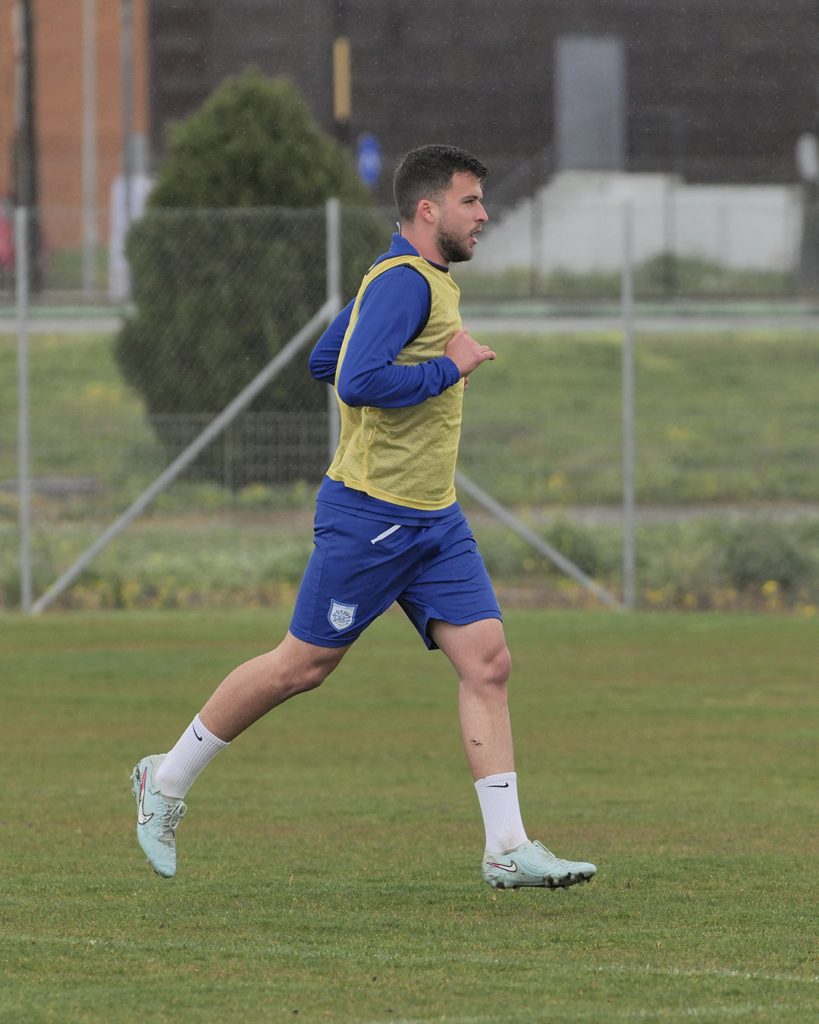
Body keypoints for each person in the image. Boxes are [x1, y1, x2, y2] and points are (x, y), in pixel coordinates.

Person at [131, 144, 596, 891]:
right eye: (471, 201)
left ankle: (506, 846)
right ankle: (166, 779)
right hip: (373, 515)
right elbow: (353, 379)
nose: (484, 214)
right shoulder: (405, 282)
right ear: (427, 210)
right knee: (300, 667)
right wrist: (449, 367)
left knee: (488, 662)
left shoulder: (406, 278)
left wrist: (420, 363)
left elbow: (325, 359)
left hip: (434, 518)